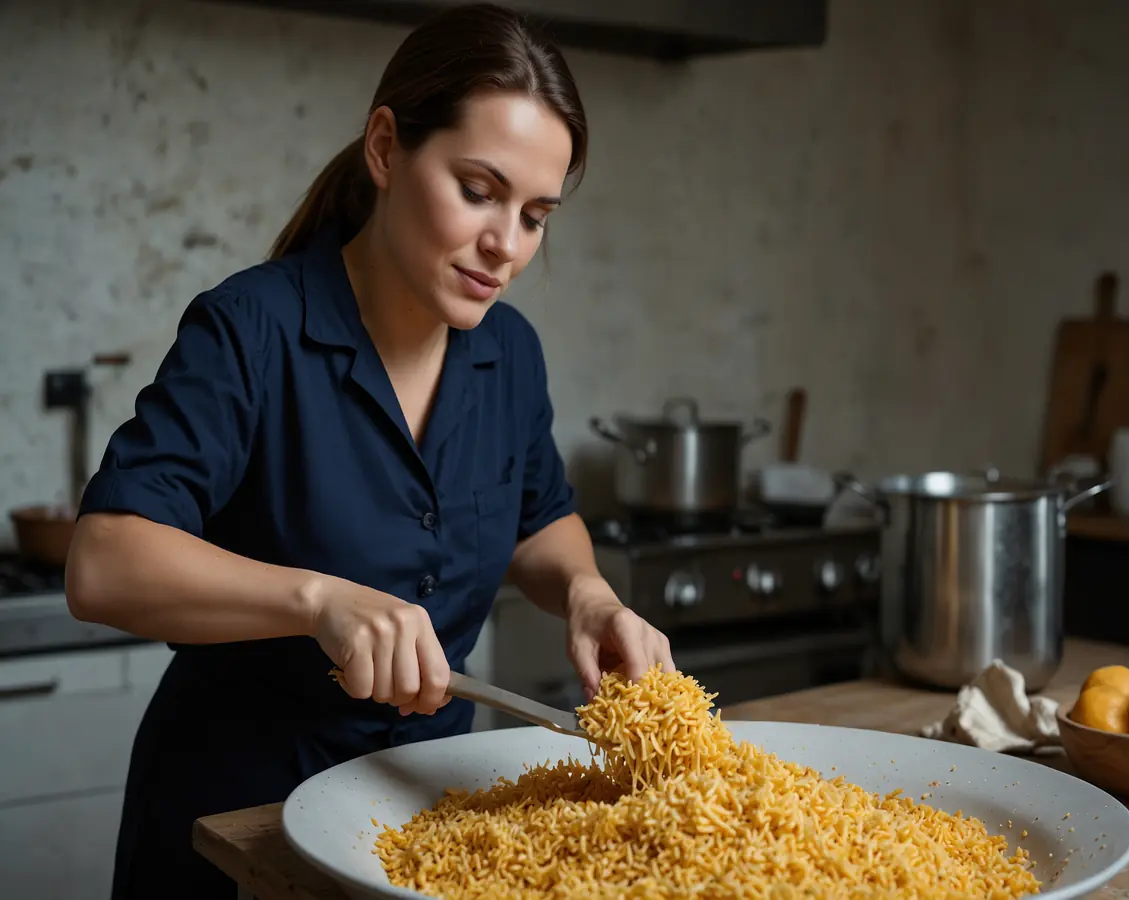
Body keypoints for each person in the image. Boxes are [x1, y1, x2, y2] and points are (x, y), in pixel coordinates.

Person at [64, 4, 675, 897]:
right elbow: (103, 563)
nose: (506, 244)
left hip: (425, 821)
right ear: (386, 149)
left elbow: (540, 518)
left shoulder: (511, 355)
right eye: (478, 190)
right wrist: (316, 601)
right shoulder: (252, 329)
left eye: (536, 214)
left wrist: (585, 595)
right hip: (236, 824)